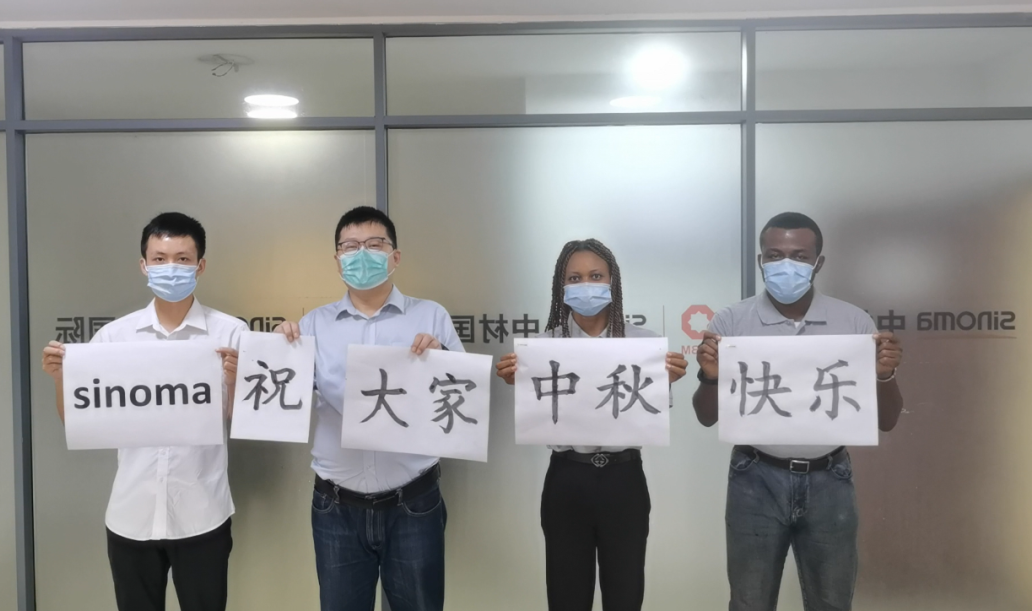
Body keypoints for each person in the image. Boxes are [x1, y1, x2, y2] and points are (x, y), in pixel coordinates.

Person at [691, 212, 903, 611]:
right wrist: (710, 376)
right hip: (754, 477)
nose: (786, 264)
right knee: (749, 602)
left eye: (800, 256)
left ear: (818, 263)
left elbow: (887, 420)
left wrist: (884, 374)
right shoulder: (731, 322)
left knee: (832, 602)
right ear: (760, 260)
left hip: (830, 479)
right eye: (775, 255)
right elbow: (706, 415)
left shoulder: (854, 322)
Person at [40, 212, 245, 611]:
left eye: (183, 259)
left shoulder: (231, 334)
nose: (171, 268)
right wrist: (61, 379)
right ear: (143, 265)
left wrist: (237, 380)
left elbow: (245, 419)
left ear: (200, 266)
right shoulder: (114, 337)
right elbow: (76, 421)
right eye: (160, 258)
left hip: (203, 513)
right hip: (131, 514)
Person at [275, 206, 463, 611]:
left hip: (414, 502)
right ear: (337, 260)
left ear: (395, 256)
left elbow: (461, 401)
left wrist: (442, 359)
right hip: (336, 507)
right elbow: (284, 402)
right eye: (350, 246)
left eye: (374, 244)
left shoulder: (431, 316)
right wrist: (276, 353)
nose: (362, 254)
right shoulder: (313, 326)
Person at [494, 238, 689, 611]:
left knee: (625, 594)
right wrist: (518, 381)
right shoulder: (542, 347)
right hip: (568, 478)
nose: (586, 285)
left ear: (612, 281)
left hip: (624, 480)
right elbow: (538, 414)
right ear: (561, 286)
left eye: (596, 276)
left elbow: (653, 412)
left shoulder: (644, 344)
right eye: (575, 277)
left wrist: (665, 380)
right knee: (566, 596)